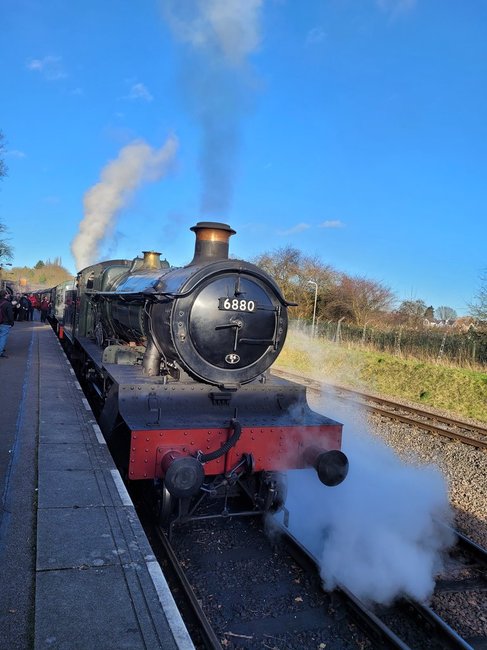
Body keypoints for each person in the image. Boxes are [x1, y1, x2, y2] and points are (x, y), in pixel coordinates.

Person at [0, 290, 15, 358]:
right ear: (5, 295)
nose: (9, 295)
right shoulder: (7, 303)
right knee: (3, 337)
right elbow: (10, 315)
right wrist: (12, 322)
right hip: (5, 323)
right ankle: (0, 352)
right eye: (8, 294)